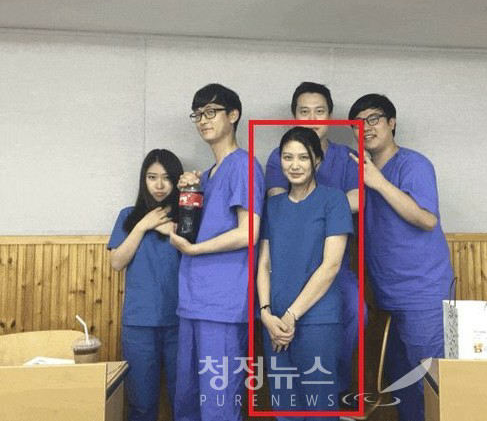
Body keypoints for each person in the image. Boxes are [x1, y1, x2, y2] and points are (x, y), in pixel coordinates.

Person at [349, 94, 454, 421]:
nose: (366, 127)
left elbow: (427, 219)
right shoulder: (360, 171)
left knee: (429, 381)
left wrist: (378, 183)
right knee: (400, 380)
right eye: (358, 123)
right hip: (386, 297)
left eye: (374, 119)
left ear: (391, 123)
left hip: (423, 292)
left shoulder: (413, 164)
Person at [168, 83, 265, 421]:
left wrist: (194, 250)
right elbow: (193, 227)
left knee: (217, 403)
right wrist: (188, 192)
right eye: (198, 114)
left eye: (211, 112)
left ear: (233, 115)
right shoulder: (207, 176)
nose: (203, 120)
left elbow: (249, 232)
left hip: (223, 304)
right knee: (187, 399)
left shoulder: (243, 165)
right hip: (193, 299)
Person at [264, 82, 363, 400]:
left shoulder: (345, 158)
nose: (312, 118)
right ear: (294, 116)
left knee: (356, 313)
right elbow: (279, 204)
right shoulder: (277, 158)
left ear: (330, 116)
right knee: (285, 389)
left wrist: (324, 206)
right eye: (304, 111)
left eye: (319, 111)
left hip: (331, 264)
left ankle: (337, 380)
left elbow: (357, 199)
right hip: (287, 267)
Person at [258, 127, 353, 420]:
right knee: (284, 408)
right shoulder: (272, 206)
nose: (295, 165)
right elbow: (264, 263)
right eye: (288, 157)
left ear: (317, 161)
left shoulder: (334, 200)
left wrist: (291, 315)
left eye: (303, 157)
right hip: (275, 322)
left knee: (319, 407)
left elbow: (331, 266)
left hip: (317, 320)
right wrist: (266, 313)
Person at [108, 149, 183, 421]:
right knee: (140, 403)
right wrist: (143, 226)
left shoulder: (187, 216)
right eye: (152, 177)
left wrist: (172, 232)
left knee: (183, 399)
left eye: (167, 178)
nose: (159, 185)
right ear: (144, 180)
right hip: (139, 322)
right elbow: (117, 262)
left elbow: (200, 257)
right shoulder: (128, 215)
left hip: (181, 320)